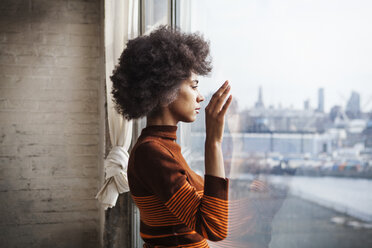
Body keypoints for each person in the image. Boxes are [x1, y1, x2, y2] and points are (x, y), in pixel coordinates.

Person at [111, 25, 232, 248]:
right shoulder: (152, 153)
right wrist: (214, 142)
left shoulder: (160, 148)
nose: (200, 97)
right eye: (194, 86)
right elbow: (214, 227)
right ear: (165, 89)